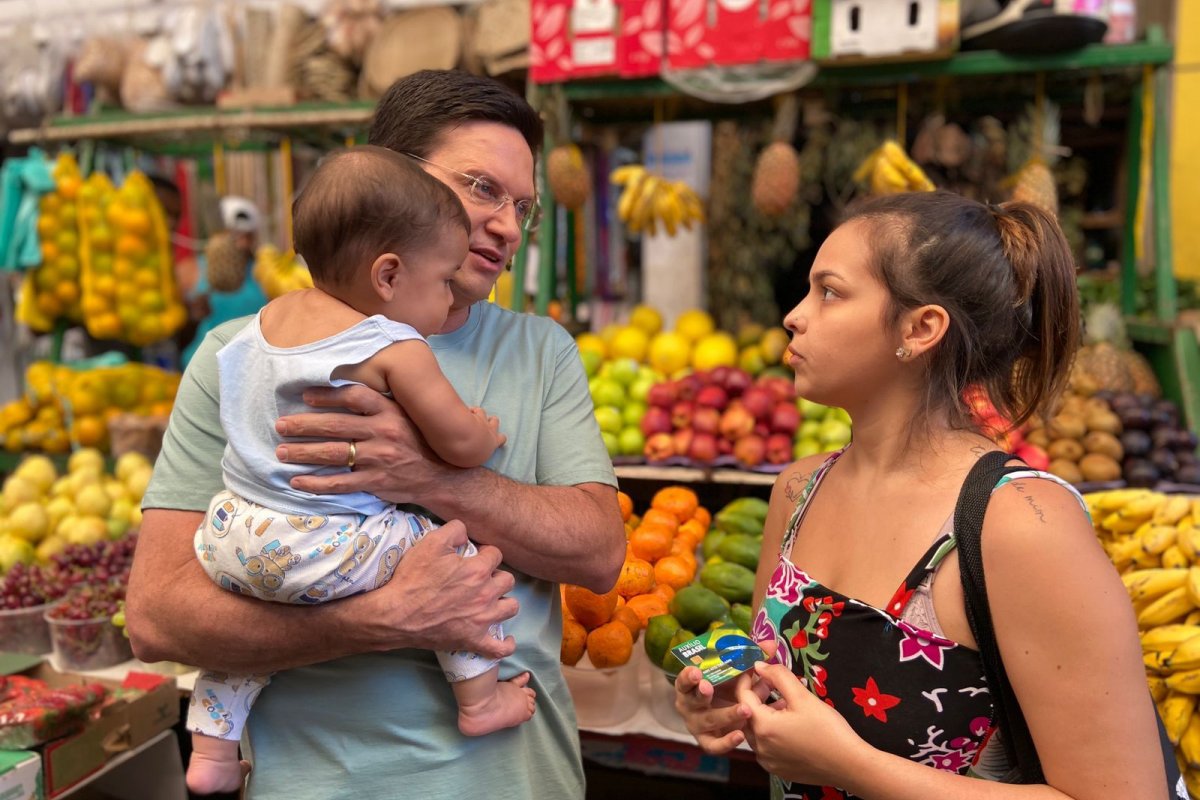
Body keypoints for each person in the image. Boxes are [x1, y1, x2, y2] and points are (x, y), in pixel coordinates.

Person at [126, 69, 626, 800]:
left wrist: (425, 476)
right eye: (482, 188)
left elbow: (600, 553)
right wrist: (382, 619)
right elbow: (157, 618)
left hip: (516, 781)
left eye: (524, 207)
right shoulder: (236, 356)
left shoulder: (540, 351)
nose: (509, 226)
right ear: (392, 181)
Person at [674, 191, 1166, 798]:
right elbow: (783, 685)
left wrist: (853, 767)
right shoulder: (799, 490)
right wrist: (735, 702)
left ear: (921, 328)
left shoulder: (1018, 526)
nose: (794, 316)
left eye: (829, 291)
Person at [184, 147, 537, 796]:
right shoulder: (391, 344)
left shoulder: (261, 324)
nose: (448, 296)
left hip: (233, 537)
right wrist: (483, 430)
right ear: (389, 275)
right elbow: (457, 442)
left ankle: (211, 753)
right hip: (325, 545)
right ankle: (482, 700)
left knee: (241, 644)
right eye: (443, 280)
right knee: (455, 566)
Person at [180, 195, 270, 368]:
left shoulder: (264, 271)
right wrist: (193, 314)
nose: (242, 244)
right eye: (235, 236)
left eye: (247, 236)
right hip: (204, 363)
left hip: (251, 365)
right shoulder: (192, 269)